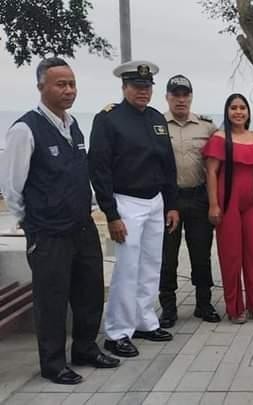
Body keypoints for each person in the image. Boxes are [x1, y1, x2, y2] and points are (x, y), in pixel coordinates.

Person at [0, 57, 119, 384]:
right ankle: (53, 364)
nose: (69, 90)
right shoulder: (25, 129)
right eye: (61, 84)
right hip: (48, 232)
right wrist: (31, 222)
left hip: (82, 226)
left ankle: (85, 349)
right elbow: (12, 186)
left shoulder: (73, 125)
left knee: (89, 292)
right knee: (51, 299)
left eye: (72, 84)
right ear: (41, 87)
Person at [88, 60, 179, 358]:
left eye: (147, 86)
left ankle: (144, 321)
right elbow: (99, 169)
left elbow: (167, 165)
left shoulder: (156, 118)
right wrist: (111, 214)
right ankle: (117, 332)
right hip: (126, 201)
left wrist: (171, 204)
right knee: (127, 269)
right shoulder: (109, 120)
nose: (143, 91)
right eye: (137, 86)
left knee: (151, 266)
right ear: (124, 87)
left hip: (155, 201)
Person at [158, 74, 221, 328]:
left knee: (201, 254)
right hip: (167, 200)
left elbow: (220, 159)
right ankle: (168, 308)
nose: (181, 100)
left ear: (191, 97)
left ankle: (203, 304)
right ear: (167, 97)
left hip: (198, 197)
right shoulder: (156, 125)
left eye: (185, 95)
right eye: (176, 95)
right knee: (167, 256)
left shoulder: (207, 127)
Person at [204, 93, 253, 323]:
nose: (238, 112)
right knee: (231, 256)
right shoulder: (219, 138)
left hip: (251, 202)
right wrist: (214, 205)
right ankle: (234, 308)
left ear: (248, 112)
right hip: (227, 200)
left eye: (243, 108)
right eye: (234, 108)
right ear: (227, 111)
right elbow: (211, 172)